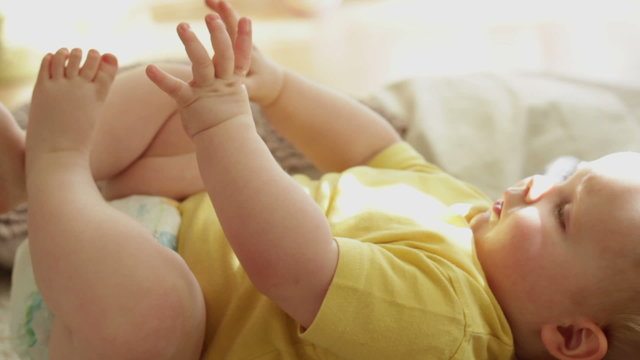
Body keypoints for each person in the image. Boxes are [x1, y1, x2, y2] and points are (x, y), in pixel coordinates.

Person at [2, 0, 640, 358]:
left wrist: (227, 124)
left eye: (560, 212)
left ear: (571, 335)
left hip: (119, 322)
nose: (534, 185)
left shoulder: (448, 327)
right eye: (562, 177)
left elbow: (293, 264)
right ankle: (30, 173)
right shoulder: (467, 219)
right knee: (178, 88)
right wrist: (276, 88)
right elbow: (377, 147)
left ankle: (56, 171)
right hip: (151, 227)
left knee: (161, 309)